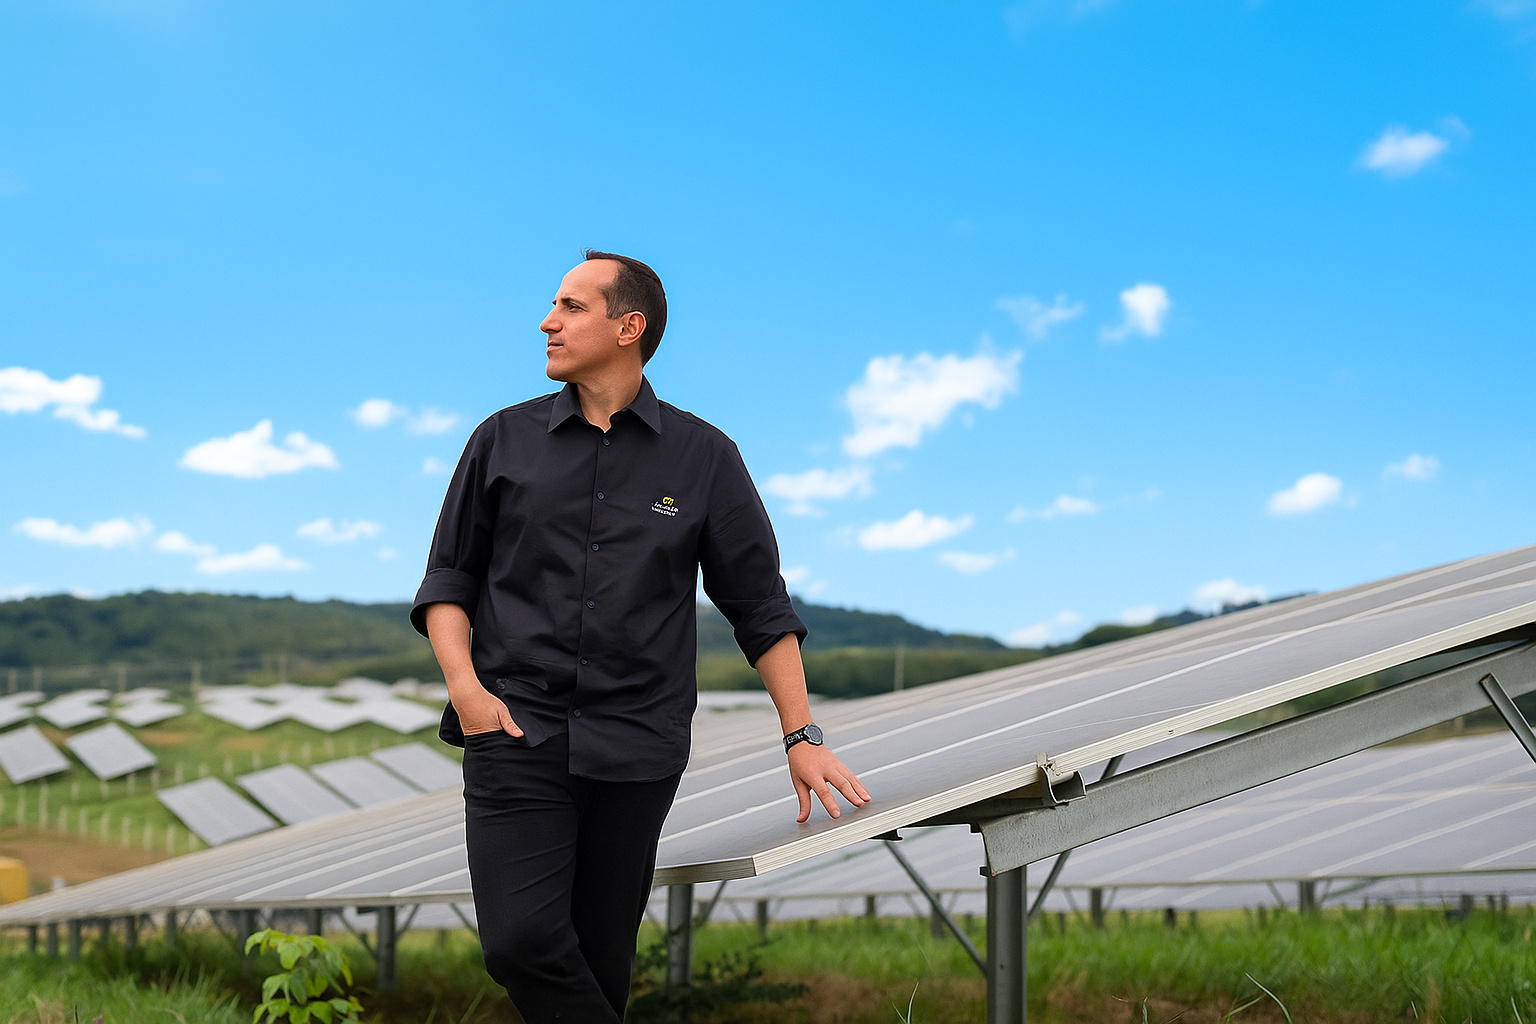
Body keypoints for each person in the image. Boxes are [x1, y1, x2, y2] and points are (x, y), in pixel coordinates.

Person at [411, 250, 870, 1022]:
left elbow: (759, 605)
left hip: (638, 745)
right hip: (515, 728)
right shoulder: (501, 440)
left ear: (629, 328)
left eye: (570, 306)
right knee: (520, 943)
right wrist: (468, 691)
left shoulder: (705, 457)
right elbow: (448, 581)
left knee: (600, 958)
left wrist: (802, 734)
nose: (547, 322)